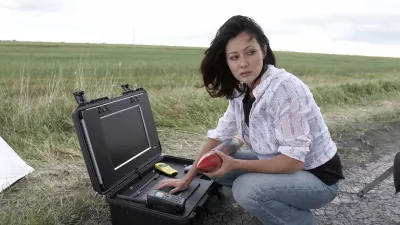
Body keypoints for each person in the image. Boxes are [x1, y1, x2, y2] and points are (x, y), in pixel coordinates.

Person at [156, 15, 345, 225]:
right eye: (234, 57)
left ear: (263, 50)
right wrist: (188, 177)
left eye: (250, 52)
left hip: (317, 178)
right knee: (213, 167)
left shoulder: (285, 89)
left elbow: (293, 161)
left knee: (245, 189)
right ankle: (274, 205)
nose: (243, 64)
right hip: (280, 164)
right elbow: (220, 136)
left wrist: (235, 163)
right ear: (227, 61)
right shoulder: (241, 90)